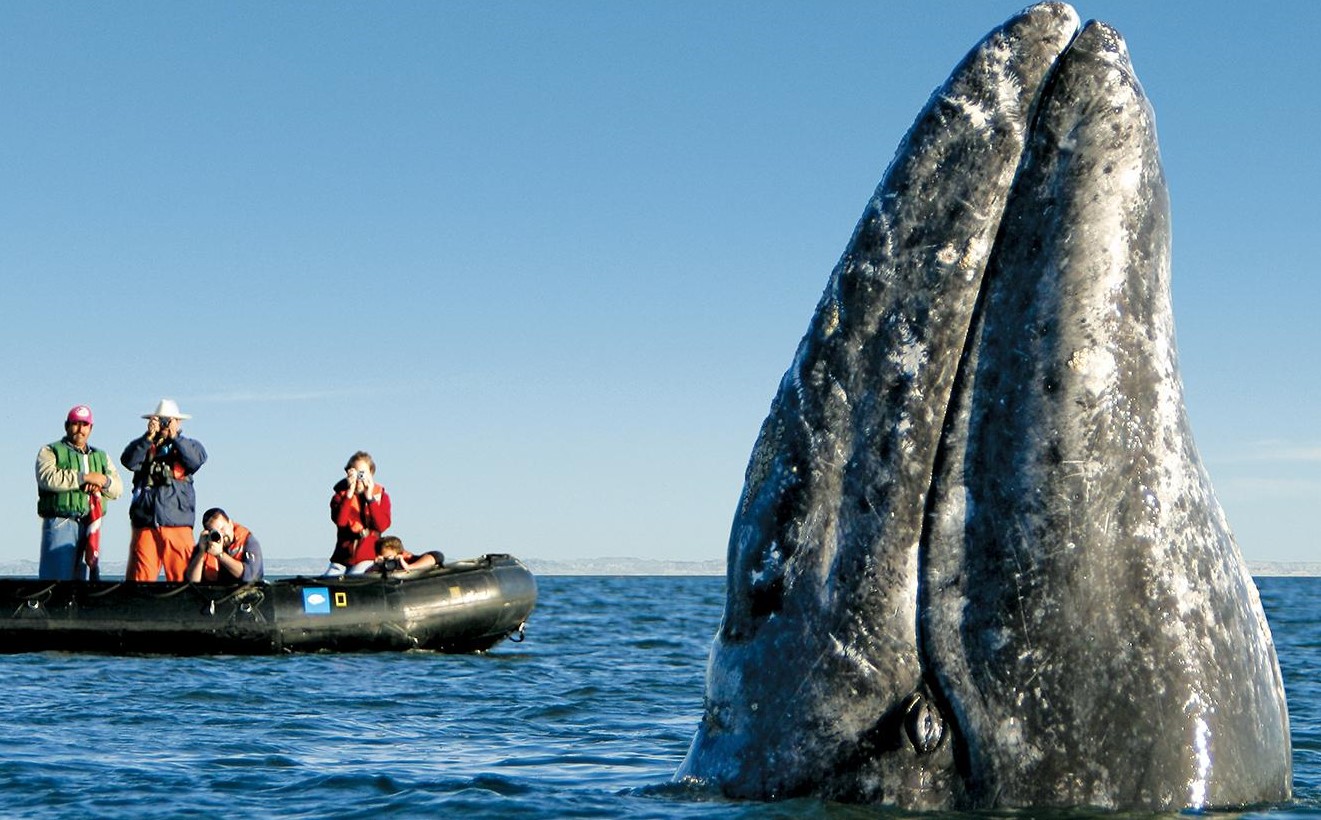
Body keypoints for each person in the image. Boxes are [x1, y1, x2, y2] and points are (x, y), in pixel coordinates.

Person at [121, 399, 208, 582]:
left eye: (168, 420)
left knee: (182, 579)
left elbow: (195, 461)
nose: (164, 424)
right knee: (140, 579)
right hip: (146, 523)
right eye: (161, 420)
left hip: (177, 523)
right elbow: (128, 461)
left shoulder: (190, 446)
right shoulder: (146, 446)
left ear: (178, 422)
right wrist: (148, 437)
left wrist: (175, 437)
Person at [35, 405, 125, 580]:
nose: (80, 429)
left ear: (91, 428)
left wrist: (102, 481)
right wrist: (84, 478)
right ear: (67, 425)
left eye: (85, 425)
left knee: (84, 584)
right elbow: (47, 477)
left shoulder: (101, 456)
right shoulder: (50, 451)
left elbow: (118, 489)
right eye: (75, 424)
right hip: (60, 522)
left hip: (91, 525)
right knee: (56, 581)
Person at [324, 450, 392, 576]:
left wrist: (370, 498)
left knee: (355, 578)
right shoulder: (339, 497)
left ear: (371, 474)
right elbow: (341, 521)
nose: (359, 478)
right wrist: (349, 494)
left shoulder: (381, 497)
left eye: (362, 473)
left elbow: (382, 525)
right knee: (328, 580)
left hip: (367, 558)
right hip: (342, 559)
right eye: (355, 473)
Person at [185, 507, 263, 584]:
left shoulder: (249, 542)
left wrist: (220, 555)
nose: (221, 535)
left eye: (222, 528)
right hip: (213, 593)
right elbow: (192, 582)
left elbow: (251, 576)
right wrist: (200, 553)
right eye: (216, 532)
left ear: (230, 523)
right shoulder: (205, 545)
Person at [367, 535, 443, 576]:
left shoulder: (408, 561)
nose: (388, 561)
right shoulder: (380, 567)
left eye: (389, 558)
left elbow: (437, 556)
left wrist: (409, 567)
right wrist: (376, 566)